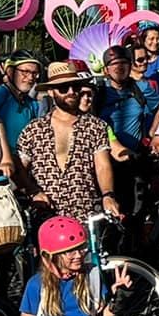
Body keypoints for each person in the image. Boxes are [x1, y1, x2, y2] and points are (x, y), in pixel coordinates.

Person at [17, 61, 120, 224]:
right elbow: (20, 168)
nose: (71, 92)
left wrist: (108, 195)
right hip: (46, 216)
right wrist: (33, 191)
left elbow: (103, 166)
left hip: (85, 213)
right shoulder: (33, 130)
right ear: (51, 92)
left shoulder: (95, 126)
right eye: (64, 88)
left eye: (75, 87)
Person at [92, 41, 155, 207]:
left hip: (134, 159)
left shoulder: (141, 88)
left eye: (124, 63)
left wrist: (152, 135)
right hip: (105, 160)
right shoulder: (99, 92)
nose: (119, 68)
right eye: (114, 64)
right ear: (106, 69)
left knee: (135, 207)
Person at [0, 52, 47, 149]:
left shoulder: (32, 104)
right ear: (9, 71)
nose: (30, 78)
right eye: (25, 72)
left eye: (34, 73)